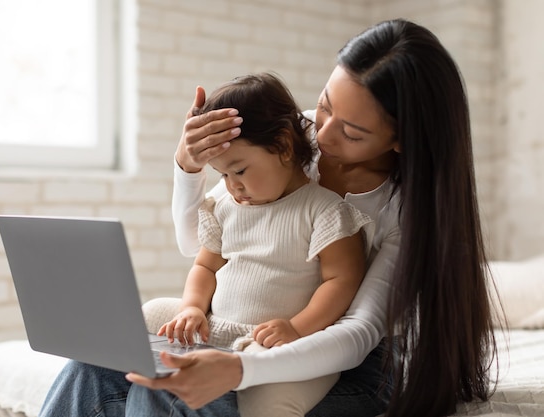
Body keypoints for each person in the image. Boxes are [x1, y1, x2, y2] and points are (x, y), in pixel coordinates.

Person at [38, 18, 500, 417]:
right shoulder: (287, 136)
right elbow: (202, 245)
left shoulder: (404, 208)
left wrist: (243, 367)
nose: (321, 131)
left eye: (353, 131)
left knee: (173, 393)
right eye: (324, 104)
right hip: (246, 332)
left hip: (345, 360)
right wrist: (188, 167)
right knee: (95, 366)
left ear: (401, 139)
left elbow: (357, 332)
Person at [151, 72, 373, 417]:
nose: (232, 185)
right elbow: (205, 265)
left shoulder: (325, 210)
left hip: (285, 345)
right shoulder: (225, 206)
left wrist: (298, 328)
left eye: (239, 170)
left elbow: (341, 281)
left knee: (266, 406)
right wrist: (193, 307)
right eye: (223, 175)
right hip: (220, 333)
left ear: (284, 146)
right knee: (148, 341)